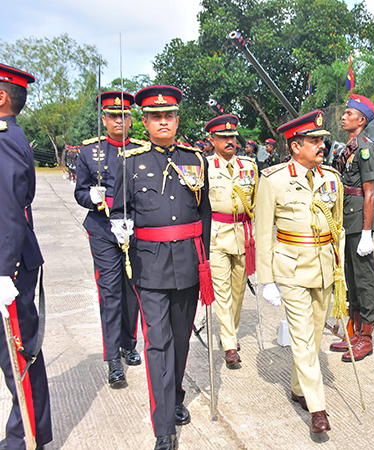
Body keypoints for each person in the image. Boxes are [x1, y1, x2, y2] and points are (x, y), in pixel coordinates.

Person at [111, 85, 211, 450]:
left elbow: (204, 215)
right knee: (158, 344)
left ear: (177, 119)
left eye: (168, 115)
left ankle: (176, 395)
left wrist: (205, 259)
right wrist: (119, 227)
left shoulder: (194, 159)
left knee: (181, 341)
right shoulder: (128, 161)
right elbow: (120, 210)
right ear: (146, 121)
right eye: (155, 116)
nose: (163, 121)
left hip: (187, 262)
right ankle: (163, 427)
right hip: (149, 266)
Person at [256, 110, 343, 435]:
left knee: (315, 336)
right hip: (290, 269)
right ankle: (317, 407)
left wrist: (340, 268)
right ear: (295, 146)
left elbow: (338, 231)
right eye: (314, 140)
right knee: (304, 338)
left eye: (322, 140)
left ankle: (297, 387)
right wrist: (266, 279)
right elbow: (263, 231)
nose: (321, 145)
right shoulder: (274, 179)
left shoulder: (331, 178)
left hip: (323, 267)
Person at [0, 63, 53, 450]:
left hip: (9, 265)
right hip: (9, 260)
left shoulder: (4, 140)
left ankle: (25, 440)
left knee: (18, 357)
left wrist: (3, 271)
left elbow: (9, 211)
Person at [74, 91, 143, 388]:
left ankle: (129, 343)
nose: (119, 121)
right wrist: (91, 197)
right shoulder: (90, 152)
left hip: (134, 227)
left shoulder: (141, 150)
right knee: (111, 291)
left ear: (131, 119)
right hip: (103, 229)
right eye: (113, 116)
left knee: (132, 291)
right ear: (104, 119)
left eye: (125, 115)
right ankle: (113, 356)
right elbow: (79, 192)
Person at [329, 94, 374, 362]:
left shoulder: (365, 147)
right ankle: (356, 331)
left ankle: (367, 336)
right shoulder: (347, 146)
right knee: (350, 278)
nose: (344, 116)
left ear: (361, 120)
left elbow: (369, 192)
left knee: (364, 279)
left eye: (350, 114)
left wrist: (366, 232)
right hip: (347, 217)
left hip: (360, 217)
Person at [205, 114, 257, 368]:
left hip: (243, 234)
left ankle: (231, 332)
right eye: (223, 137)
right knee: (222, 292)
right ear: (212, 140)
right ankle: (228, 345)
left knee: (238, 291)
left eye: (232, 137)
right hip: (217, 234)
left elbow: (257, 203)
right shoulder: (204, 167)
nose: (229, 141)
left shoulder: (249, 166)